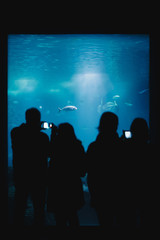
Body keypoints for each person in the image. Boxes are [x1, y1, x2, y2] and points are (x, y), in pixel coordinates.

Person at [11, 108, 49, 225]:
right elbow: (50, 153)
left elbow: (21, 132)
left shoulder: (15, 132)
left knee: (19, 208)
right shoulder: (43, 137)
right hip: (39, 178)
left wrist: (35, 127)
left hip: (21, 176)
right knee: (39, 209)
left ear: (26, 118)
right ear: (39, 119)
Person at [86, 112, 123, 227]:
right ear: (116, 126)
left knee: (105, 224)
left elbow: (88, 171)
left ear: (101, 125)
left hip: (100, 195)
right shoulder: (122, 146)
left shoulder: (93, 147)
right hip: (120, 195)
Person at [47, 123, 85, 227]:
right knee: (73, 216)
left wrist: (53, 135)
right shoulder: (78, 146)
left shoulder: (56, 146)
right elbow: (82, 171)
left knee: (59, 219)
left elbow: (49, 153)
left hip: (57, 187)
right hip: (73, 186)